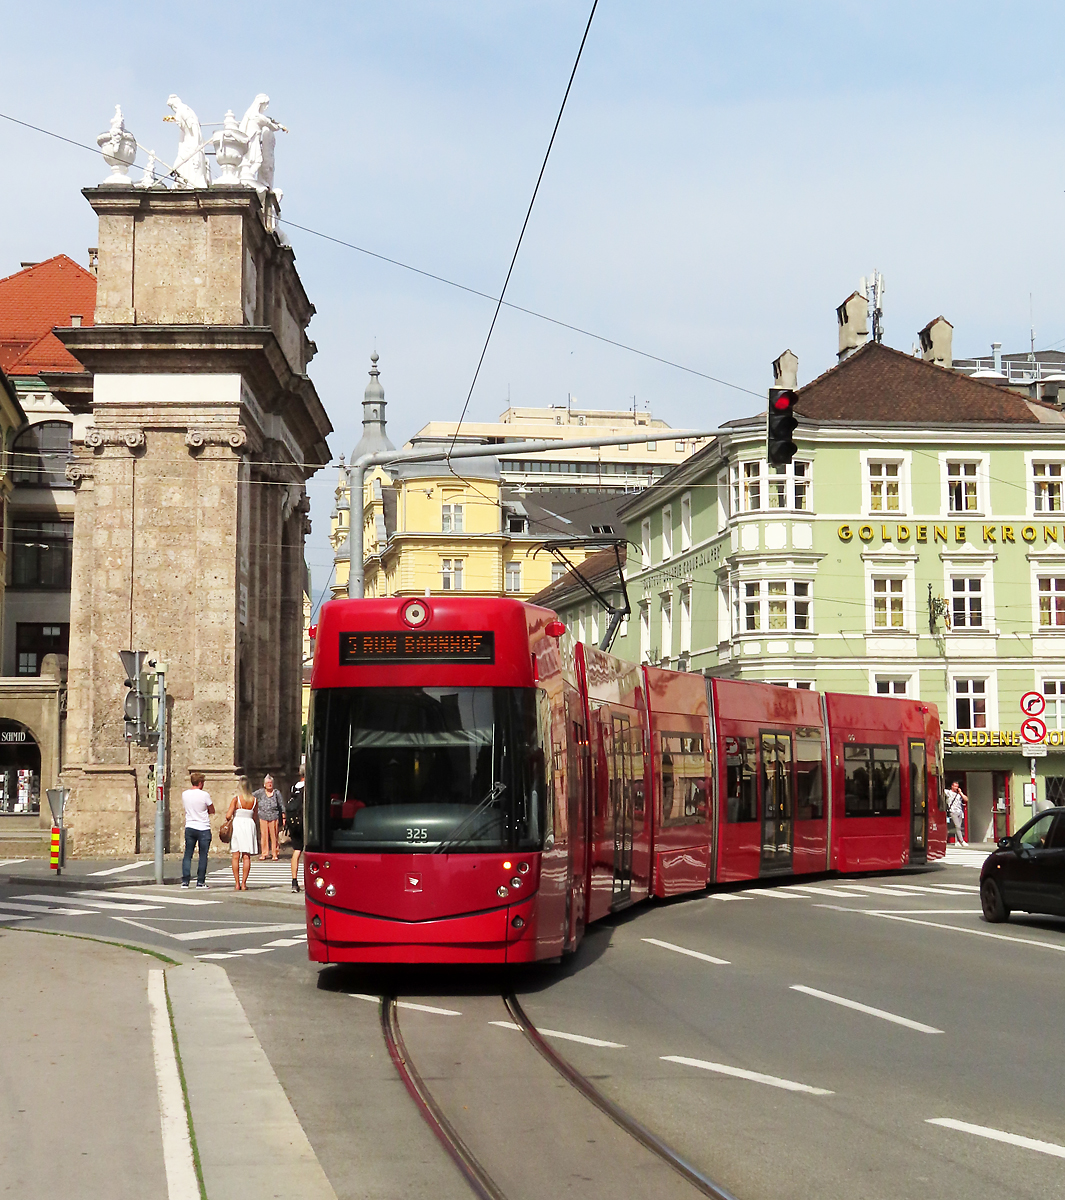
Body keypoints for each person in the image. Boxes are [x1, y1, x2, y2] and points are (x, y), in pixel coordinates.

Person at [181, 771, 215, 889]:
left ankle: (185, 881)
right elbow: (212, 809)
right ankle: (200, 881)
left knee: (188, 854)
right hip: (203, 827)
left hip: (190, 826)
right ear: (200, 783)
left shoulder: (185, 794)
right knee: (203, 855)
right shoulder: (204, 795)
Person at [226, 777, 258, 890]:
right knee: (246, 856)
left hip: (238, 824)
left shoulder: (236, 799)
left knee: (236, 855)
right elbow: (255, 816)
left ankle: (237, 883)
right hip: (249, 825)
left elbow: (228, 815)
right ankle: (244, 883)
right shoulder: (254, 800)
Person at [284, 767, 305, 893]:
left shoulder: (294, 787)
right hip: (303, 822)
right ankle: (307, 880)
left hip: (293, 823)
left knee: (296, 851)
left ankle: (294, 881)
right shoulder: (307, 788)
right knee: (307, 851)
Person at [255, 774, 283, 861]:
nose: (269, 784)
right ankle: (264, 853)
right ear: (264, 784)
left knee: (274, 835)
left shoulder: (276, 793)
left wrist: (284, 815)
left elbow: (281, 804)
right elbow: (251, 797)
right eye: (267, 783)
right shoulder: (260, 792)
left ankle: (275, 853)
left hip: (274, 816)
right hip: (263, 816)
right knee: (264, 835)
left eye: (270, 783)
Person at [947, 780, 968, 847]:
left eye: (957, 786)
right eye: (955, 786)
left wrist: (961, 792)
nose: (956, 787)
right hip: (953, 811)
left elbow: (966, 799)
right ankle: (962, 841)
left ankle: (957, 841)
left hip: (960, 811)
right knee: (957, 826)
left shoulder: (959, 794)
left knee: (958, 827)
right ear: (952, 786)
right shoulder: (949, 792)